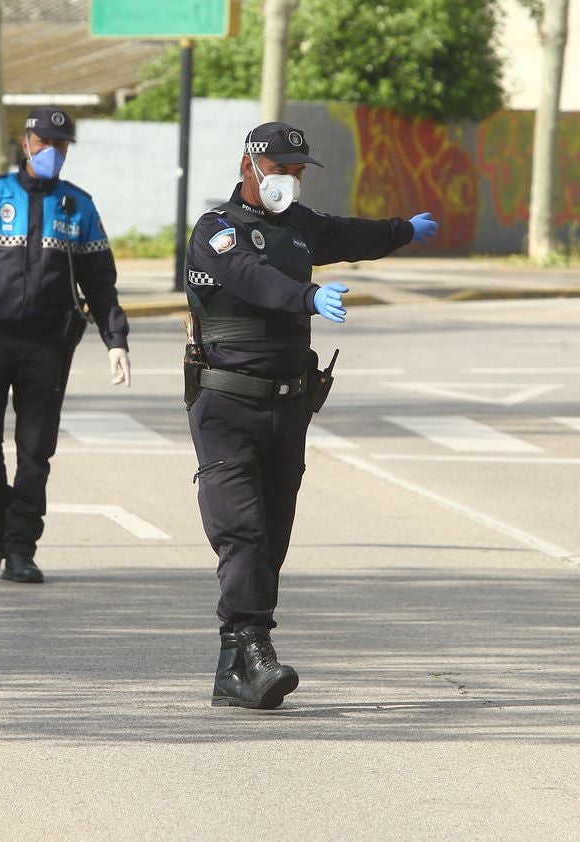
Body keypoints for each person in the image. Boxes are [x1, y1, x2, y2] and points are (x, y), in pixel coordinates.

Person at [186, 121, 438, 709]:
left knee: (272, 536)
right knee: (241, 533)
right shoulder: (216, 232)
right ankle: (252, 650)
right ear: (251, 167)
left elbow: (352, 234)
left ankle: (234, 666)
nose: (290, 184)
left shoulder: (299, 228)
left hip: (287, 404)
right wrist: (308, 297)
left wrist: (405, 230)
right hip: (226, 402)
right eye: (281, 171)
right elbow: (253, 280)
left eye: (298, 174)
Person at [0, 106, 132, 585]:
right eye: (45, 144)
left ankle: (20, 548)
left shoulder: (78, 206)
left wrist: (115, 340)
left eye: (61, 147)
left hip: (48, 344)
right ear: (26, 145)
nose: (53, 153)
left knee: (35, 449)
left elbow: (101, 283)